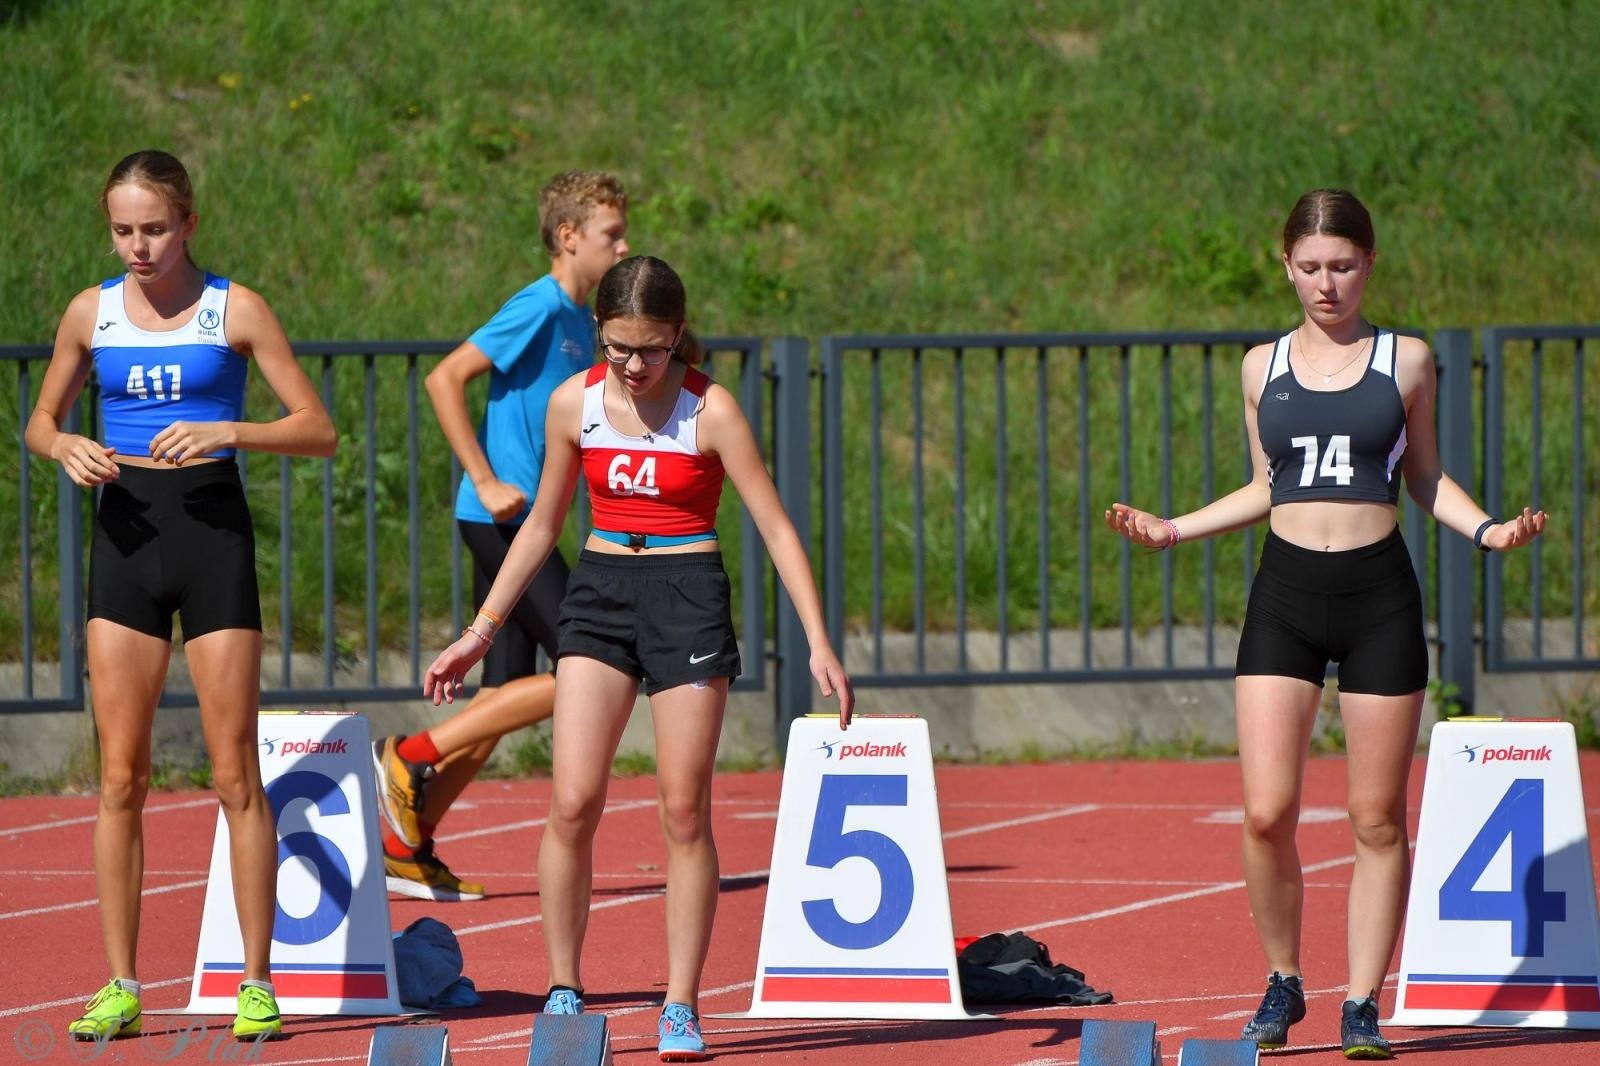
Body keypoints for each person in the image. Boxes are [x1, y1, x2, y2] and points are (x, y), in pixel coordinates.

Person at [1104, 188, 1544, 1060]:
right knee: (1267, 811)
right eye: (1309, 268)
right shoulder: (1260, 368)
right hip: (1287, 592)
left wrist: (1490, 529)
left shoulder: (1407, 360)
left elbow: (1423, 478)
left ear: (1369, 264)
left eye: (1342, 265)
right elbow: (1271, 483)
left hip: (1379, 592)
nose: (1326, 284)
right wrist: (1174, 526)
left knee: (1376, 816)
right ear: (1286, 267)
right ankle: (1283, 980)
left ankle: (1362, 1002)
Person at [423, 255, 853, 1063]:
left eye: (652, 349)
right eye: (619, 346)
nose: (633, 364)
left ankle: (681, 1005)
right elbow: (543, 525)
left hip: (686, 590)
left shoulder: (711, 409)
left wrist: (819, 642)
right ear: (599, 333)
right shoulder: (571, 404)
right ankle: (563, 986)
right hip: (601, 588)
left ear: (678, 337)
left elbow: (775, 526)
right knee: (574, 799)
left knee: (683, 809)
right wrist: (481, 630)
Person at [26, 149, 338, 1042]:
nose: (137, 245)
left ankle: (254, 979)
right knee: (120, 774)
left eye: (154, 228)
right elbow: (41, 419)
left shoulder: (233, 309)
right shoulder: (90, 312)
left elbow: (318, 429)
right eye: (123, 229)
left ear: (190, 222)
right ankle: (122, 983)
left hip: (210, 533)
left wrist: (229, 428)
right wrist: (64, 448)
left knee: (234, 769)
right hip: (125, 535)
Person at [372, 170, 629, 902]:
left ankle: (405, 840)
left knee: (505, 696)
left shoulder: (583, 321)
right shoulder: (541, 305)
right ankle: (408, 753)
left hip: (527, 524)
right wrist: (483, 478)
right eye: (612, 234)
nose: (624, 245)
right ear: (569, 236)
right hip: (501, 519)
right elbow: (445, 378)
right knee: (593, 661)